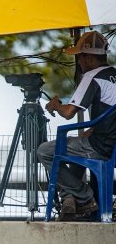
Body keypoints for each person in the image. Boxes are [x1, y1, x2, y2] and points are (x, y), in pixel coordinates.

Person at [37, 31, 116, 221]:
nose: (78, 63)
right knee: (75, 147)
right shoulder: (113, 75)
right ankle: (71, 199)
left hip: (100, 147)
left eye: (79, 58)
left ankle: (84, 197)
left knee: (45, 151)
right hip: (113, 146)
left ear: (88, 58)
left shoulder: (91, 77)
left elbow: (68, 113)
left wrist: (56, 104)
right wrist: (94, 128)